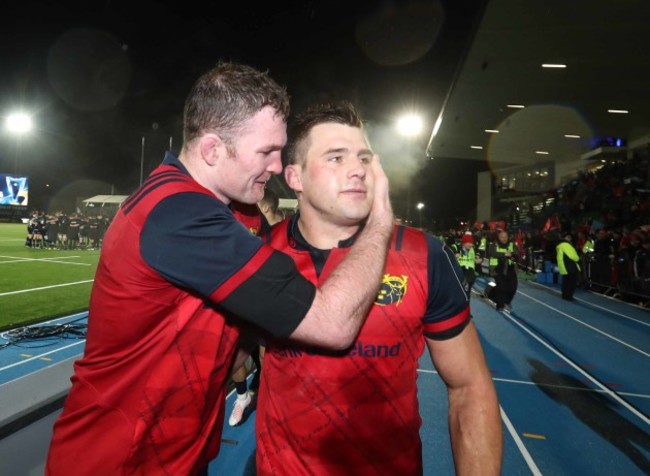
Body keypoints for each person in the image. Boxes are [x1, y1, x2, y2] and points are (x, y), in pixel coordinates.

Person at [45, 62, 394, 476]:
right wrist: (380, 223)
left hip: (184, 452)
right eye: (266, 152)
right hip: (118, 458)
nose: (279, 166)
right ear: (212, 150)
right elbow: (332, 324)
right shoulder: (176, 214)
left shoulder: (236, 209)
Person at [255, 101, 502, 475]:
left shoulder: (424, 255)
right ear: (295, 177)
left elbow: (469, 387)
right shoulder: (257, 254)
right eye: (336, 158)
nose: (358, 170)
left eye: (365, 158)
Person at [227, 188, 282, 427]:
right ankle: (242, 396)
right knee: (232, 355)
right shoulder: (236, 215)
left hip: (265, 300)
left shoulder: (278, 231)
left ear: (266, 207)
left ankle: (268, 399)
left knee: (265, 354)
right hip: (238, 299)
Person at [487, 229, 518, 311]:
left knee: (513, 287)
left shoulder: (512, 244)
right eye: (502, 237)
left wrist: (513, 255)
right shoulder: (494, 244)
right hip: (497, 268)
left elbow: (517, 253)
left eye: (505, 237)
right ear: (498, 237)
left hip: (510, 268)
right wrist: (504, 255)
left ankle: (505, 300)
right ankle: (500, 305)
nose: (504, 239)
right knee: (502, 287)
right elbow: (491, 253)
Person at [455, 231, 482, 297]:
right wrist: (454, 255)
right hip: (459, 268)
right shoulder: (457, 247)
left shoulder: (474, 249)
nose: (470, 245)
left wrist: (480, 260)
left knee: (470, 280)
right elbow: (449, 252)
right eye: (468, 243)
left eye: (471, 243)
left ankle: (466, 294)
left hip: (470, 270)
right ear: (464, 242)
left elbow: (479, 257)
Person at [556, 233, 581, 300]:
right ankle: (568, 296)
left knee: (566, 281)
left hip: (564, 265)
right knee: (571, 282)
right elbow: (572, 256)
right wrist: (578, 258)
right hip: (570, 265)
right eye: (569, 237)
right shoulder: (566, 245)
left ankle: (564, 295)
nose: (570, 238)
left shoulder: (560, 245)